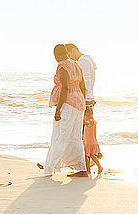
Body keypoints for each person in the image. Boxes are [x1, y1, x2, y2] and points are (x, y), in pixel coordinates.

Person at [37, 44, 88, 177]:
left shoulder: (62, 67)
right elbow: (83, 86)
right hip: (79, 103)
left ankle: (50, 168)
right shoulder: (76, 64)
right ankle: (81, 168)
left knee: (60, 135)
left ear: (56, 55)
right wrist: (85, 103)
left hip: (69, 103)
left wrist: (58, 109)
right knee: (75, 136)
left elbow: (65, 88)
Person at [65, 43, 102, 174]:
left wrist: (80, 99)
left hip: (86, 100)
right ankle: (86, 164)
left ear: (74, 50)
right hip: (88, 99)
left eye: (69, 54)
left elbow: (85, 81)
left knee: (82, 135)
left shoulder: (83, 61)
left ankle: (83, 168)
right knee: (84, 134)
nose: (70, 58)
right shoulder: (87, 59)